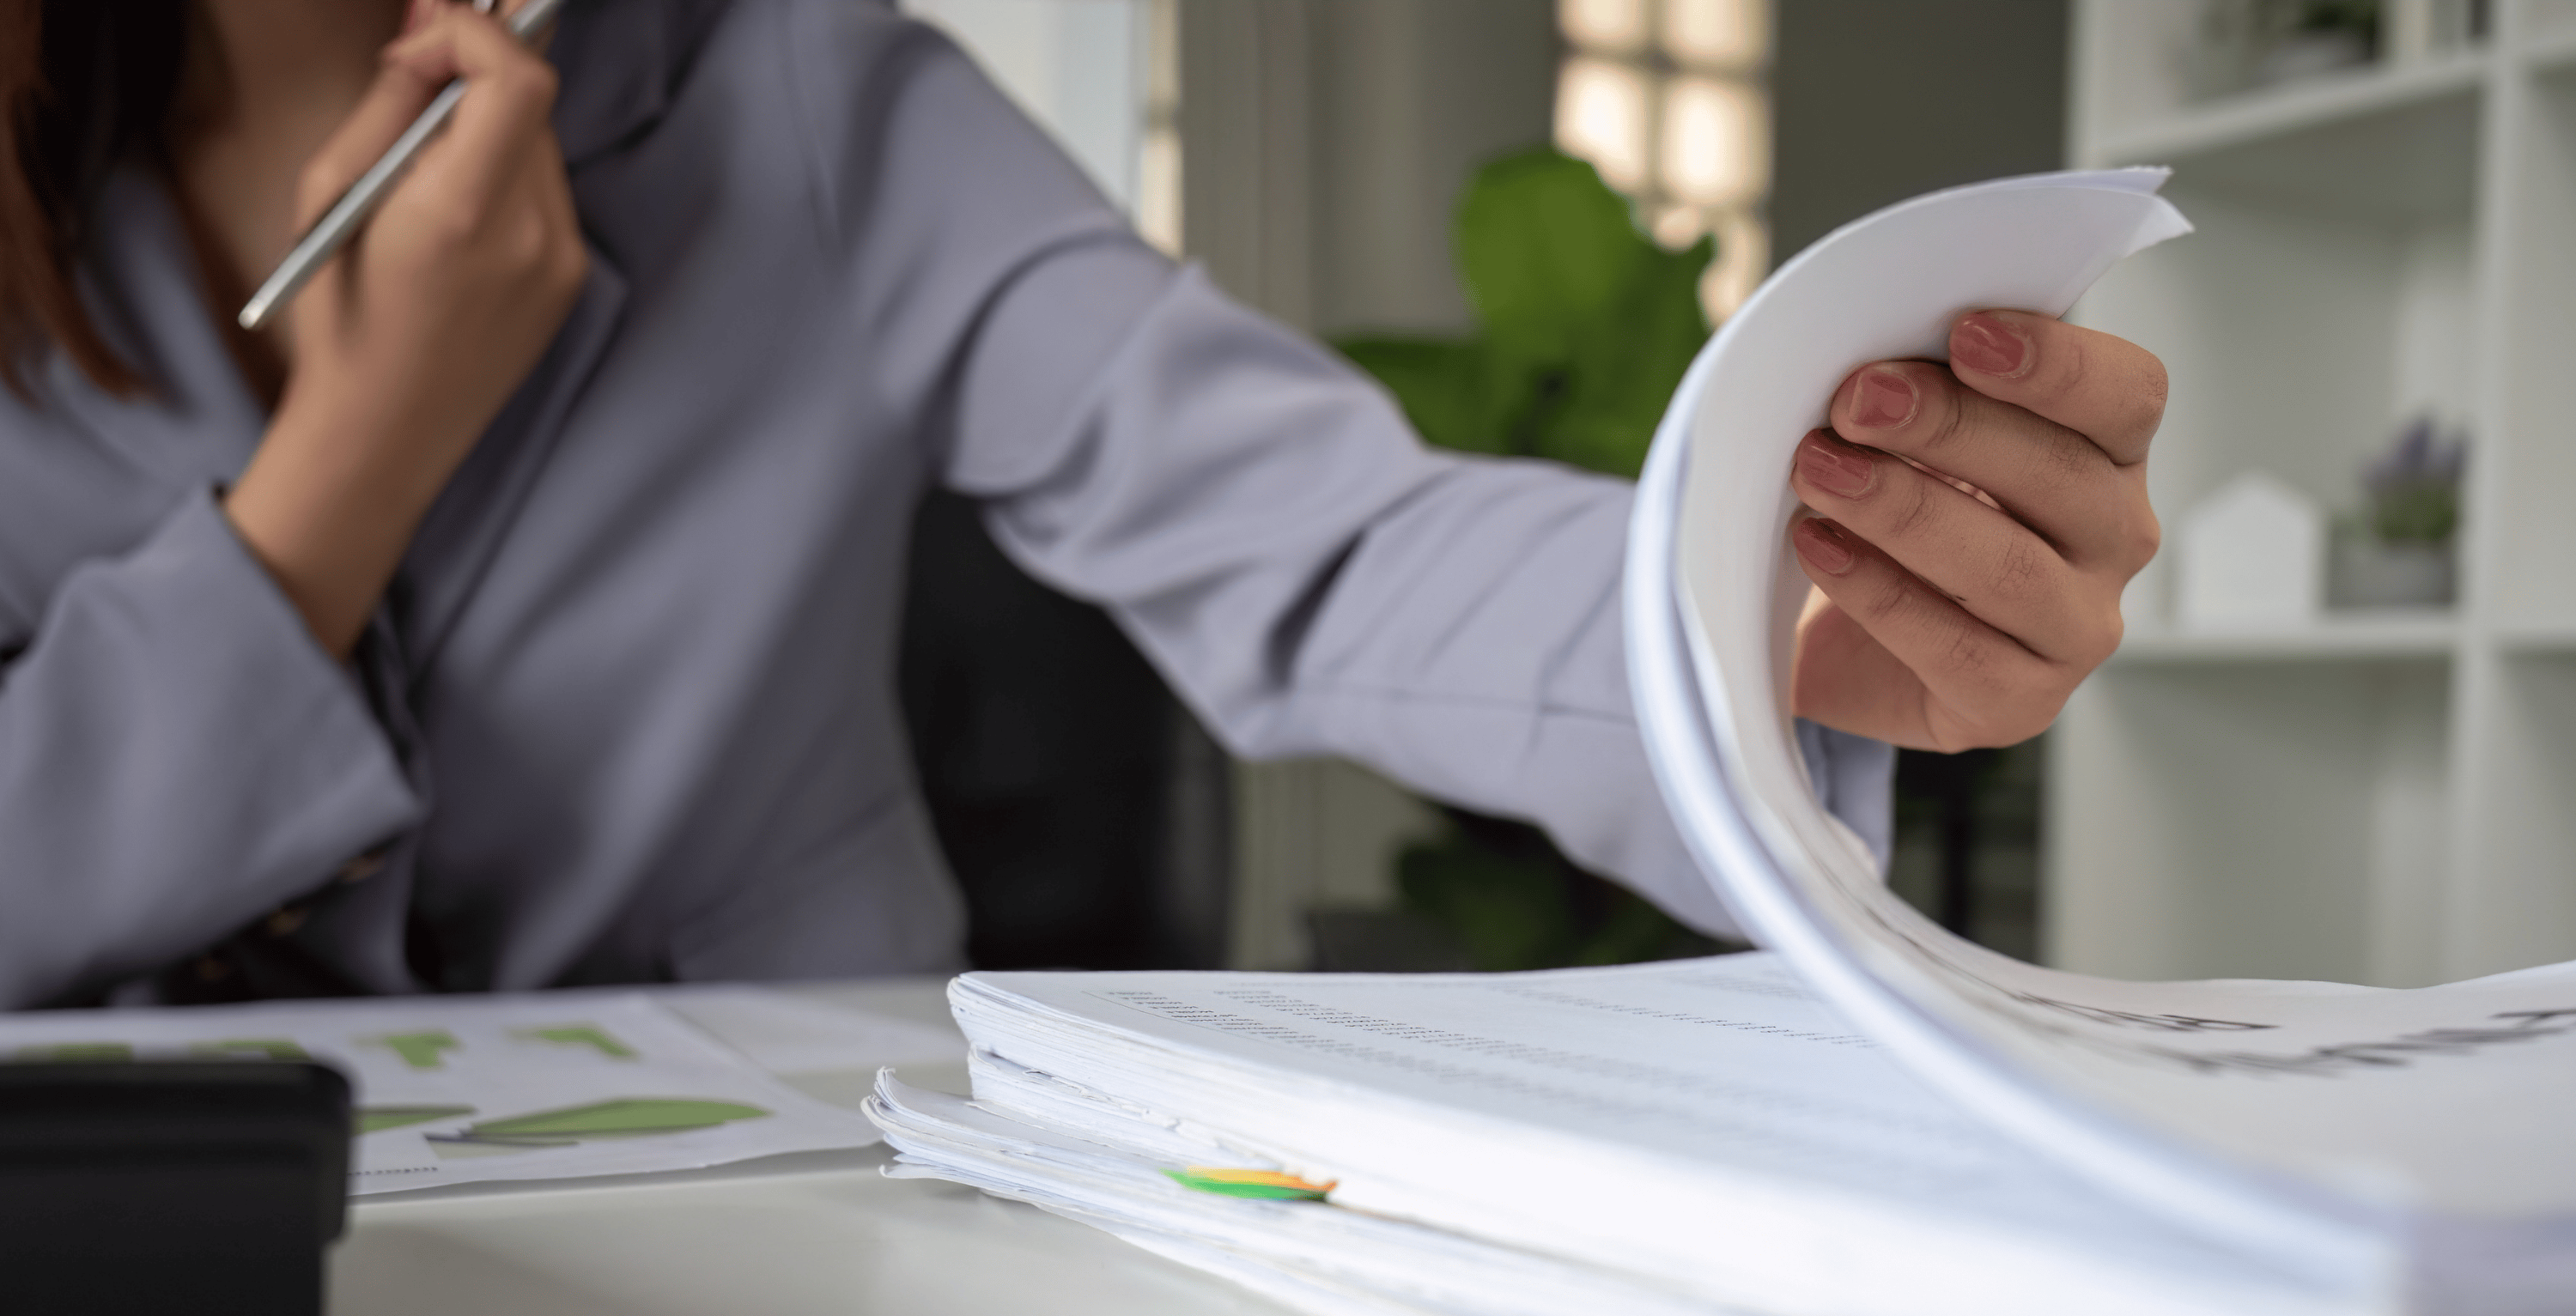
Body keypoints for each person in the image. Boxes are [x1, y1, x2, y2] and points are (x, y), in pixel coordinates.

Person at [0, 0, 2163, 1010]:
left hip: (785, 1241)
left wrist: (1770, 624)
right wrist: (348, 471)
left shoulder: (811, 98)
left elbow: (1323, 544)